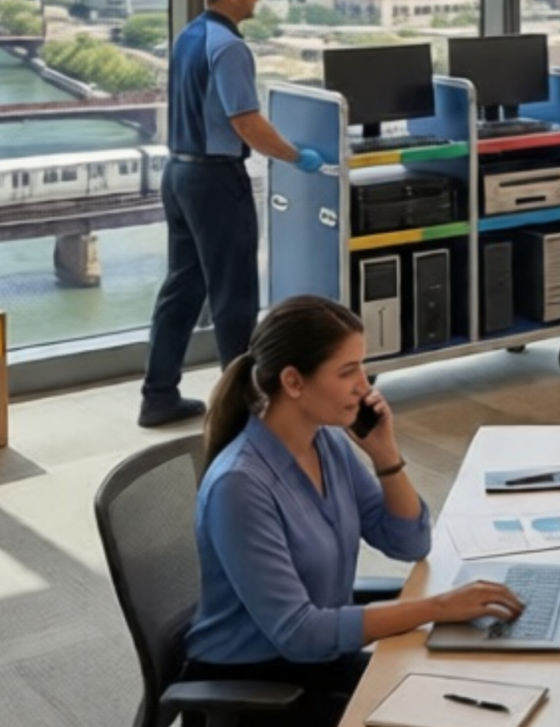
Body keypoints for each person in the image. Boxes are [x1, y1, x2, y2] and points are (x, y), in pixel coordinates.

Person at [188, 297, 523, 725]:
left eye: (362, 368)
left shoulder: (325, 442)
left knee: (466, 690)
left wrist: (385, 454)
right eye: (347, 372)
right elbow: (299, 633)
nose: (365, 387)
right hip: (259, 690)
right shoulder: (239, 486)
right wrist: (438, 607)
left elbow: (409, 542)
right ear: (294, 382)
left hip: (321, 665)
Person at [140, 0, 327, 429]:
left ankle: (158, 395)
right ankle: (241, 408)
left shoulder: (189, 37)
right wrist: (294, 156)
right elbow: (244, 120)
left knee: (182, 288)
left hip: (178, 175)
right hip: (216, 181)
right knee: (235, 293)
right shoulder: (229, 47)